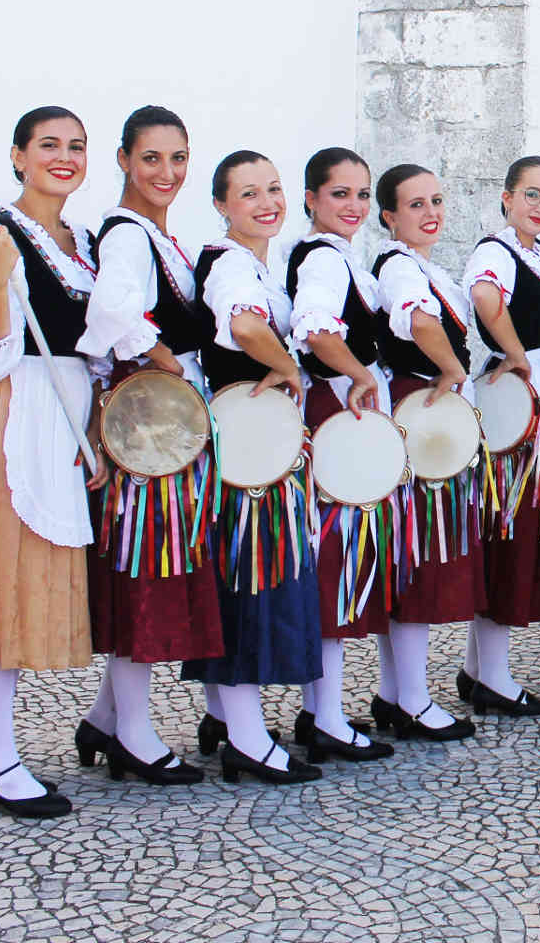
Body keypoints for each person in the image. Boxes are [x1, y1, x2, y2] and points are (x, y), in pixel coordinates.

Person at [0, 107, 97, 818]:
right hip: (10, 414)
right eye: (48, 146)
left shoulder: (83, 240)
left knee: (30, 579)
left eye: (75, 147)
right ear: (16, 156)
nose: (63, 158)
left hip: (64, 421)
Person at [73, 105, 220, 785]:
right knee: (149, 571)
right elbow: (111, 311)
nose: (167, 172)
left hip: (169, 431)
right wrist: (162, 357)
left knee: (163, 570)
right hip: (149, 436)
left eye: (179, 158)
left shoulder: (161, 237)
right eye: (152, 157)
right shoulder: (129, 235)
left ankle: (107, 720)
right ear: (125, 160)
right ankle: (132, 735)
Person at [184, 151, 322, 784]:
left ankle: (216, 718)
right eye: (248, 193)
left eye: (273, 188)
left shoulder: (256, 263)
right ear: (220, 205)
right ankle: (244, 734)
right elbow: (242, 325)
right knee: (250, 579)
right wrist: (290, 368)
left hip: (259, 442)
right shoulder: (230, 264)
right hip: (246, 450)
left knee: (251, 576)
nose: (266, 201)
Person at [285, 147, 395, 765]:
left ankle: (321, 707)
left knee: (339, 562)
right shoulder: (324, 257)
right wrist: (358, 373)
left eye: (360, 194)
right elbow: (314, 327)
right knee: (334, 560)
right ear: (312, 199)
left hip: (340, 415)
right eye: (339, 195)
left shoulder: (337, 255)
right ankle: (322, 714)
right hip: (335, 415)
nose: (352, 206)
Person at [367, 163, 479, 741]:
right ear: (389, 216)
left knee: (417, 554)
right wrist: (455, 368)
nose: (431, 212)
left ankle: (396, 693)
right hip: (417, 415)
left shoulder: (423, 266)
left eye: (436, 200)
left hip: (430, 418)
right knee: (417, 556)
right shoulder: (397, 267)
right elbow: (414, 320)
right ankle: (410, 697)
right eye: (415, 205)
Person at [461, 156, 540, 716]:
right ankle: (494, 678)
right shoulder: (495, 251)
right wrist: (520, 356)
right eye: (531, 194)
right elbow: (484, 298)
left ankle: (478, 668)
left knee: (520, 532)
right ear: (506, 197)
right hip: (517, 410)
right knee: (510, 531)